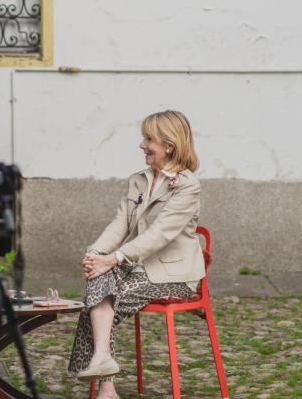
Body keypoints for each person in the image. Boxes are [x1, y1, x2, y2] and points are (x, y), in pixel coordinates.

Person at [68, 110, 205, 399]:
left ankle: (105, 386)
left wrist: (114, 258)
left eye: (148, 139)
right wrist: (96, 253)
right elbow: (120, 222)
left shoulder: (188, 186)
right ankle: (104, 367)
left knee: (101, 300)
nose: (142, 145)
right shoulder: (139, 180)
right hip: (139, 268)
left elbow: (160, 235)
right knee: (99, 279)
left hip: (174, 275)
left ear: (169, 145)